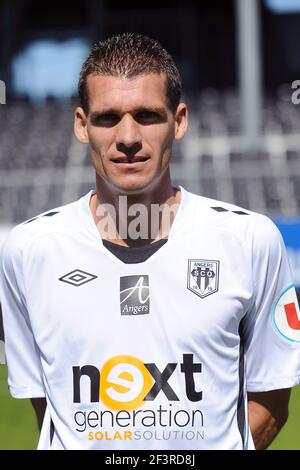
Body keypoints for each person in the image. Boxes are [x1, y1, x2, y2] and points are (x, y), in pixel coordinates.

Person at [1, 33, 300, 451]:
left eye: (146, 115)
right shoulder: (28, 250)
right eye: (107, 117)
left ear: (179, 121)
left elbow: (271, 397)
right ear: (81, 125)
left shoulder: (250, 241)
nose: (127, 137)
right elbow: (47, 406)